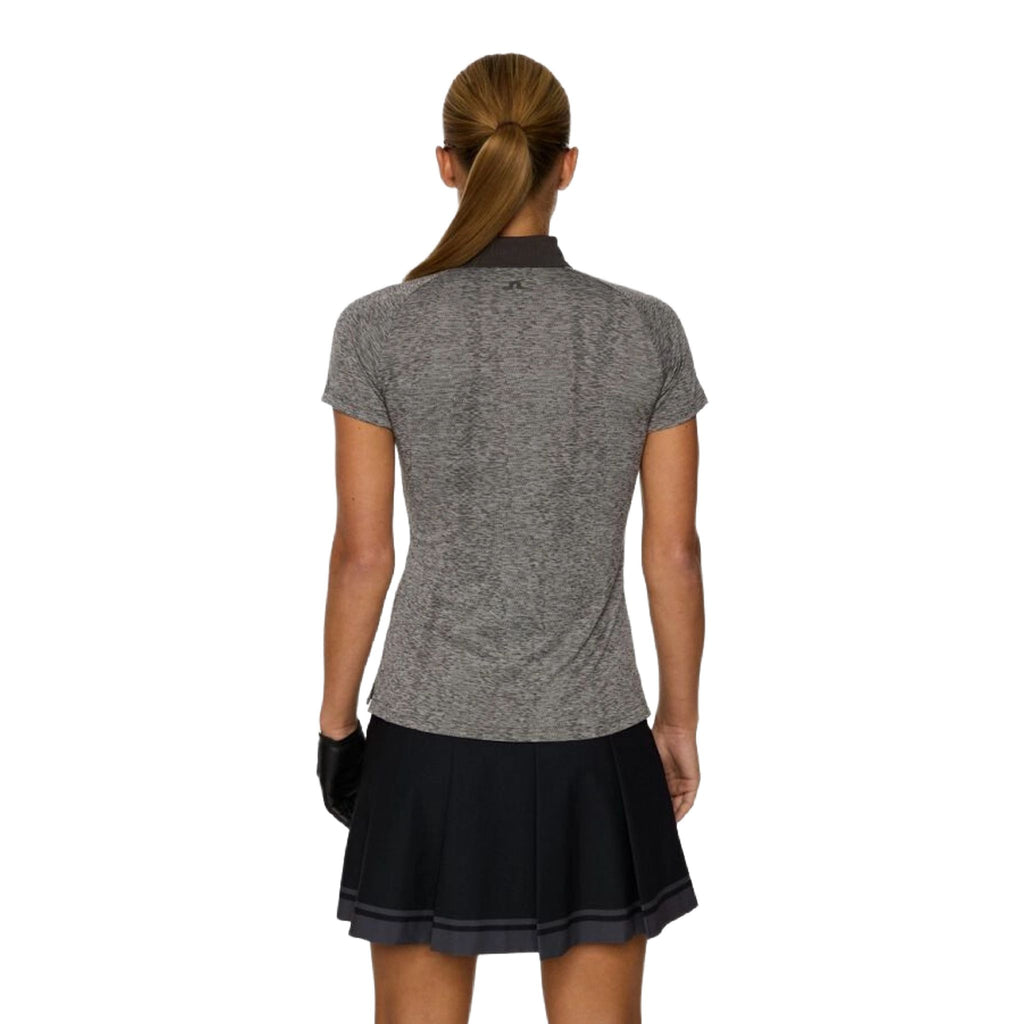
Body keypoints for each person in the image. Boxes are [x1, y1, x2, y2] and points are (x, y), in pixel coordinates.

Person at [317, 52, 708, 1024]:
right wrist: (677, 719)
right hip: (594, 740)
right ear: (565, 165)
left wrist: (335, 726)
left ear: (447, 165)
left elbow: (363, 553)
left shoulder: (378, 329)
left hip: (425, 738)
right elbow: (673, 551)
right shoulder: (644, 331)